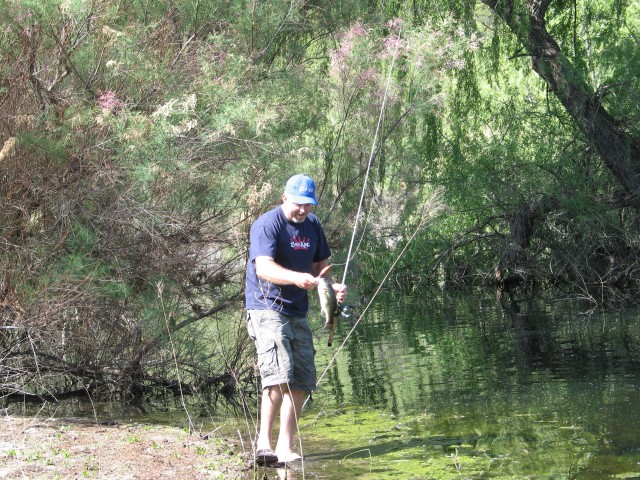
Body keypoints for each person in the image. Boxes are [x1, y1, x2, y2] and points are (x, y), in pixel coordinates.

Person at [245, 173, 347, 466]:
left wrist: (331, 288)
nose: (303, 210)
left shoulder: (313, 225)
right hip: (266, 306)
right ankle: (263, 444)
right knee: (279, 375)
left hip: (297, 310)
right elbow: (264, 268)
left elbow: (320, 267)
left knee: (302, 377)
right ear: (285, 197)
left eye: (309, 205)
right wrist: (297, 279)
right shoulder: (267, 224)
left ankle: (285, 447)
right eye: (298, 204)